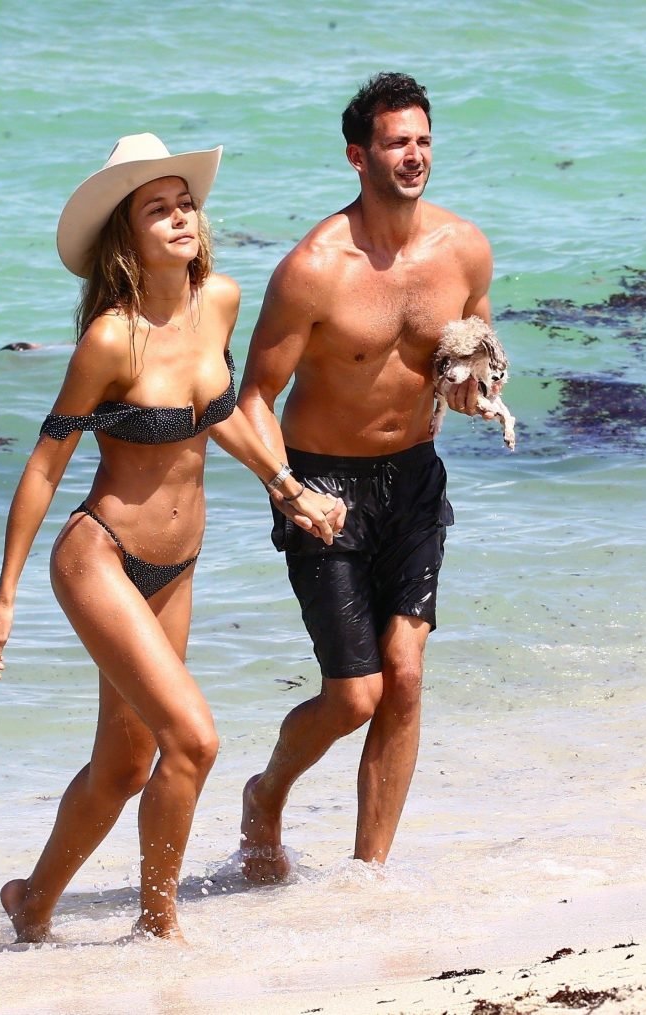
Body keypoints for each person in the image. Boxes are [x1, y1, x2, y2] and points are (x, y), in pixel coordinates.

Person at [0, 133, 344, 942]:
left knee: (123, 767)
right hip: (100, 554)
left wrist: (287, 489)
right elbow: (44, 465)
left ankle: (32, 905)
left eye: (186, 204)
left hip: (176, 565)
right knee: (193, 740)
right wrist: (4, 597)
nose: (180, 219)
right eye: (158, 209)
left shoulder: (221, 301)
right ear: (127, 236)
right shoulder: (110, 339)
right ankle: (158, 927)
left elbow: (219, 414)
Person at [237, 72, 495, 881]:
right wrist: (287, 488)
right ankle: (265, 793)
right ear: (359, 156)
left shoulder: (463, 248)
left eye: (422, 140)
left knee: (406, 675)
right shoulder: (314, 269)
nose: (413, 155)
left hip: (415, 478)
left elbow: (476, 350)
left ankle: (368, 876)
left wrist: (476, 387)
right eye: (395, 143)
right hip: (327, 488)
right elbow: (253, 399)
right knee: (354, 695)